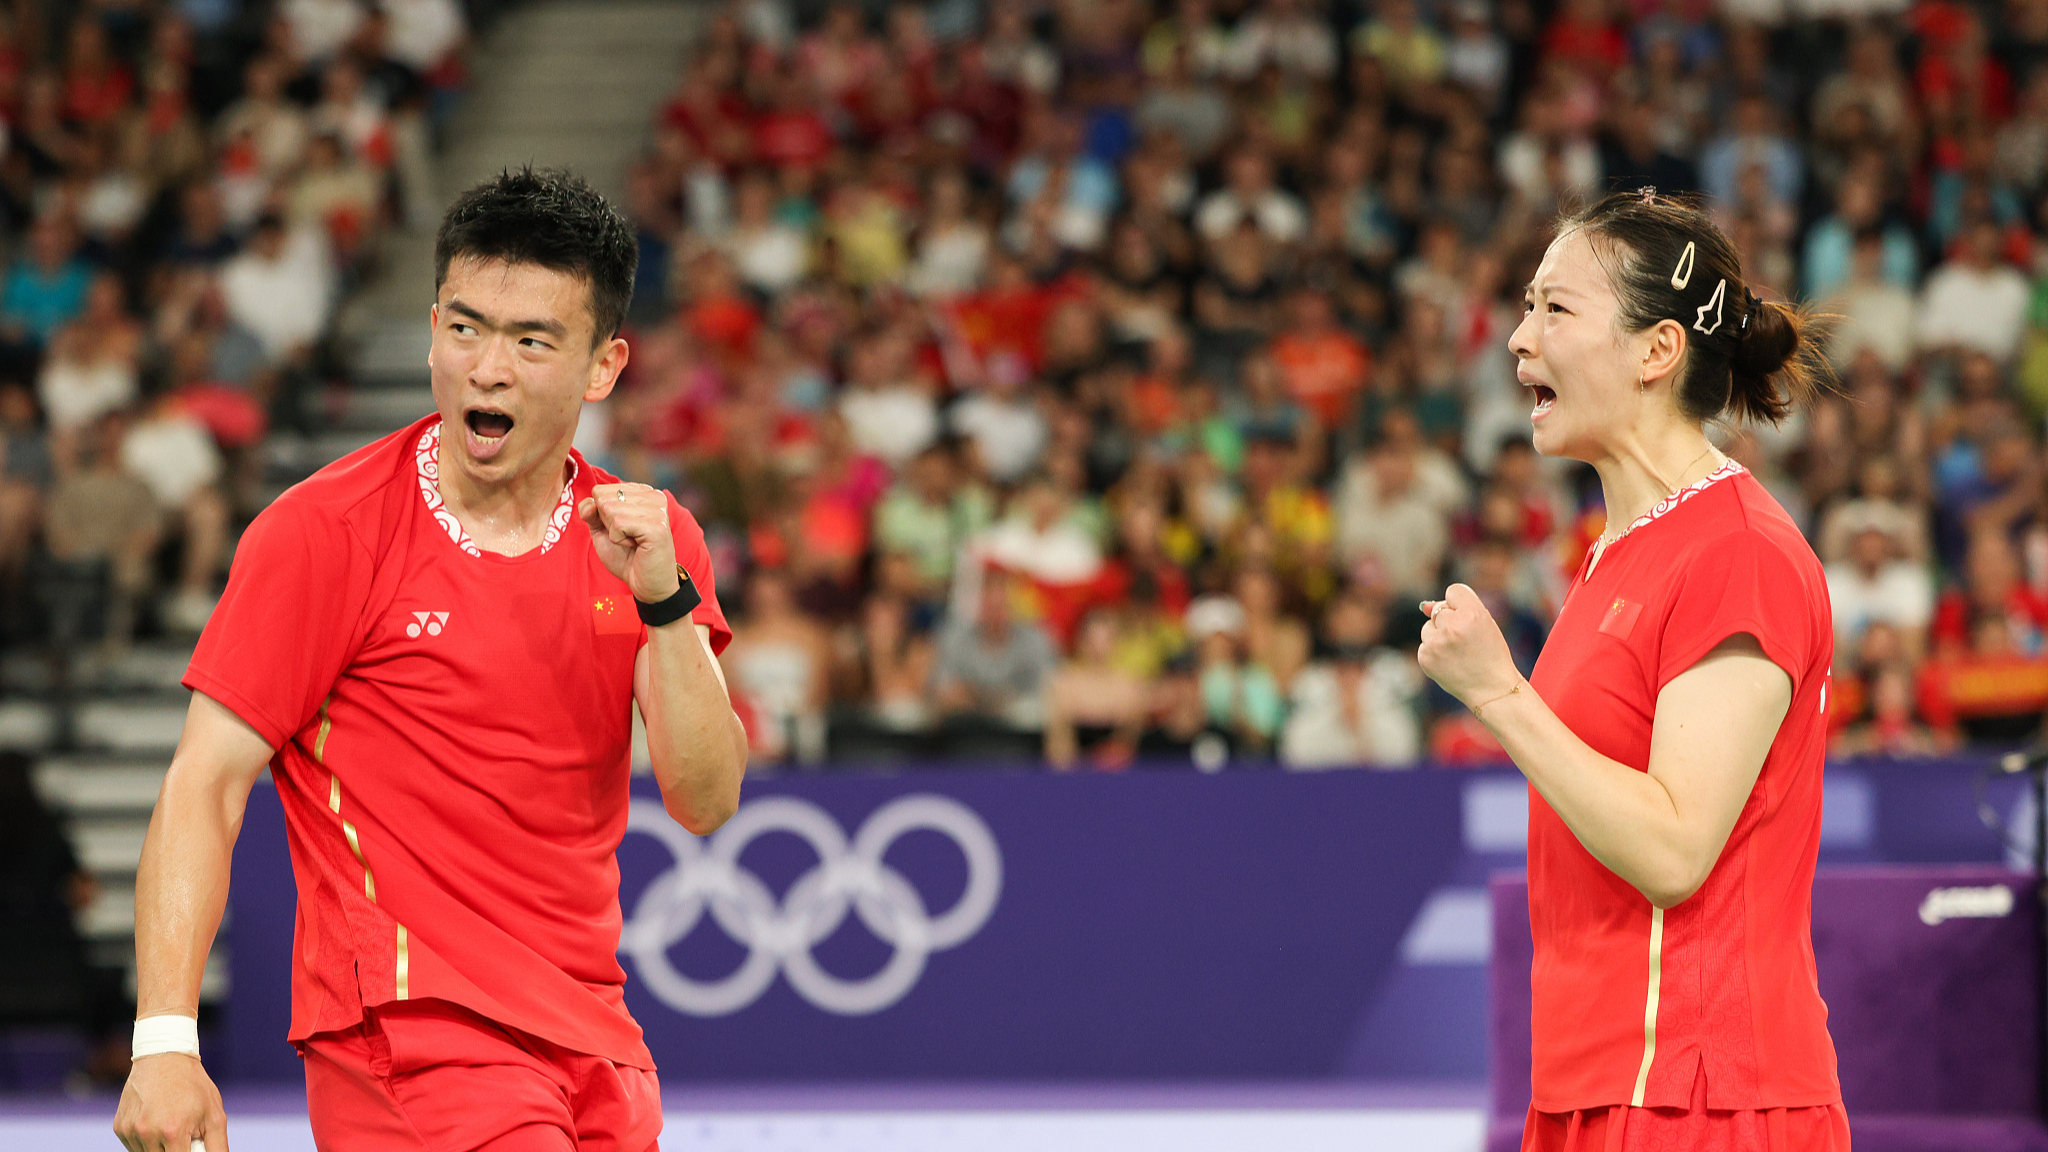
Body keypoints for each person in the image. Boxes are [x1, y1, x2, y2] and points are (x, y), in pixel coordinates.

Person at [113, 169, 748, 1152]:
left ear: (602, 365)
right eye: (465, 328)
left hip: (594, 1038)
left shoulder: (647, 546)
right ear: (431, 329)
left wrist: (665, 605)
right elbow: (205, 782)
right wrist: (163, 1040)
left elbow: (705, 801)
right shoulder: (325, 533)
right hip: (408, 1028)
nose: (485, 369)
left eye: (530, 341)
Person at [1416, 191, 1847, 1148]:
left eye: (1556, 309)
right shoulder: (1620, 548)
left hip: (1699, 1096)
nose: (1520, 339)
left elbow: (1672, 852)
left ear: (1657, 352)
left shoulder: (1738, 553)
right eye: (1527, 307)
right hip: (1594, 1085)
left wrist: (1497, 693)